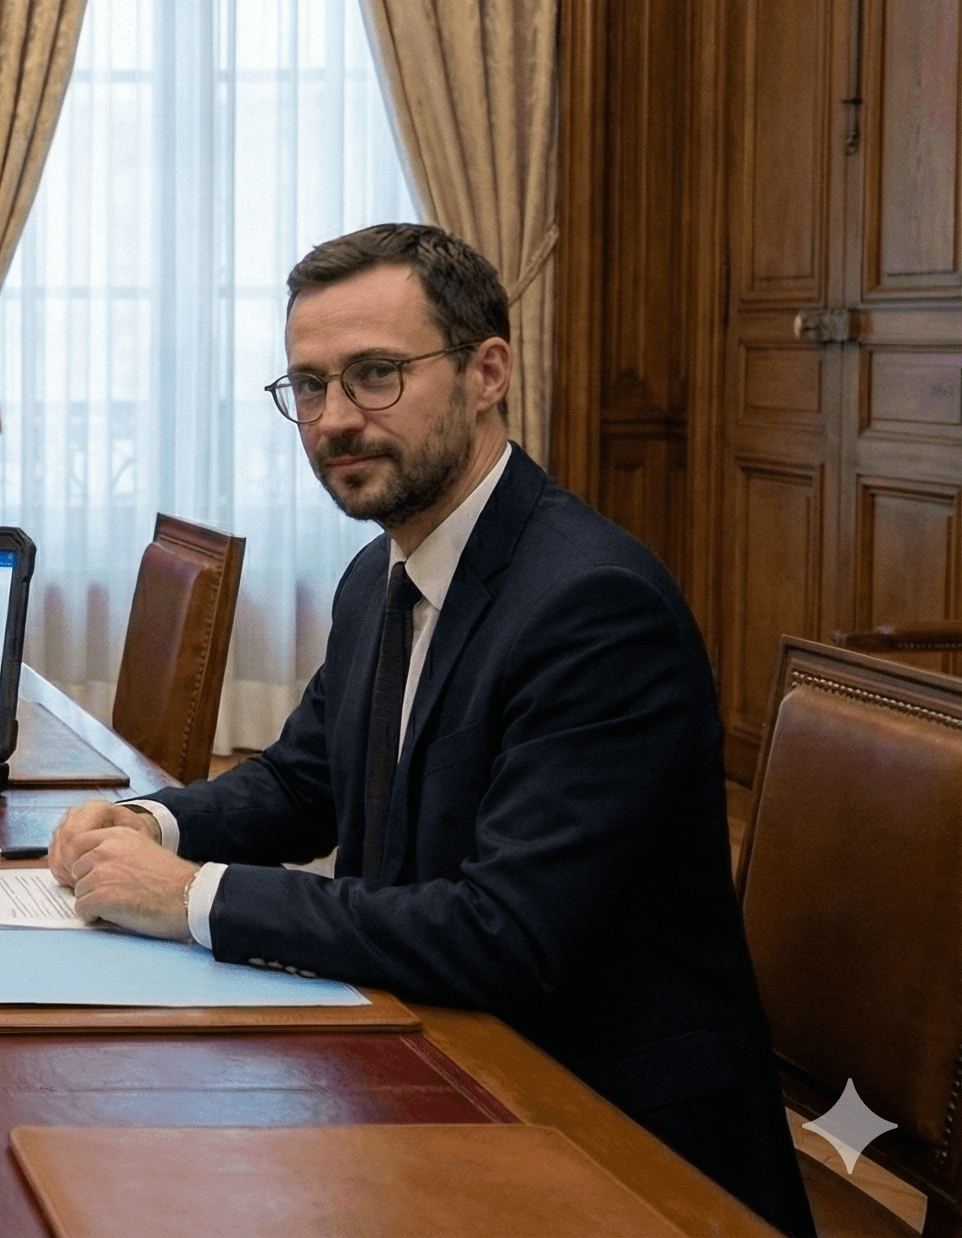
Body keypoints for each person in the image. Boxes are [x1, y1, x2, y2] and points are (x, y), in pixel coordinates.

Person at [50, 224, 814, 1238]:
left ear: (485, 371)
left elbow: (502, 936)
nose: (333, 420)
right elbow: (298, 784)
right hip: (429, 1061)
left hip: (604, 1140)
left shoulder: (592, 605)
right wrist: (148, 824)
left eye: (373, 376)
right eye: (308, 388)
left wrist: (195, 897)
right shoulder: (381, 573)